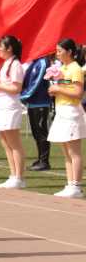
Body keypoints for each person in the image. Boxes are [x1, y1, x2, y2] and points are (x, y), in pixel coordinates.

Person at [47, 39, 86, 198]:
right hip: (61, 110)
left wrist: (58, 89)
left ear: (69, 52)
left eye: (60, 51)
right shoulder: (62, 68)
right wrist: (54, 90)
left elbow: (78, 93)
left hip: (71, 111)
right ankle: (70, 184)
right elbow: (64, 88)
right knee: (66, 151)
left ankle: (76, 186)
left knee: (74, 152)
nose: (57, 54)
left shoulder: (75, 69)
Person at [0, 35, 26, 189]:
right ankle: (13, 174)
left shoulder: (15, 65)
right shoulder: (4, 64)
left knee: (14, 143)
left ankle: (19, 177)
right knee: (5, 142)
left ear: (9, 48)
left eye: (1, 46)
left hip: (10, 106)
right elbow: (4, 86)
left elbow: (16, 88)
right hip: (1, 104)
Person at [21, 55, 52, 171]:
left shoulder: (43, 62)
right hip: (32, 103)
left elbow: (36, 82)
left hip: (41, 103)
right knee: (36, 133)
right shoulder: (33, 62)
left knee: (41, 132)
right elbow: (26, 81)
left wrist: (23, 95)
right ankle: (40, 159)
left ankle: (44, 161)